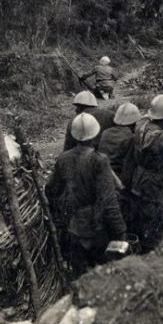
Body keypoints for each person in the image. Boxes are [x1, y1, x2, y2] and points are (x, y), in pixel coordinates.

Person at [46, 113, 127, 276]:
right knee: (103, 275)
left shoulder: (63, 158)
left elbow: (51, 190)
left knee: (80, 276)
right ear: (96, 135)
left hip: (74, 227)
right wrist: (120, 232)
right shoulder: (99, 161)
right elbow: (109, 203)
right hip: (97, 228)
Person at [123, 94, 163, 252]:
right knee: (155, 220)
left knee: (142, 217)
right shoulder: (161, 137)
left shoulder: (141, 125)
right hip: (155, 184)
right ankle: (151, 250)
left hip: (139, 179)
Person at [98, 102, 141, 186]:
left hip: (102, 174)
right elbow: (128, 168)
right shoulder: (130, 138)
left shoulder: (106, 132)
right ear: (134, 123)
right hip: (118, 179)